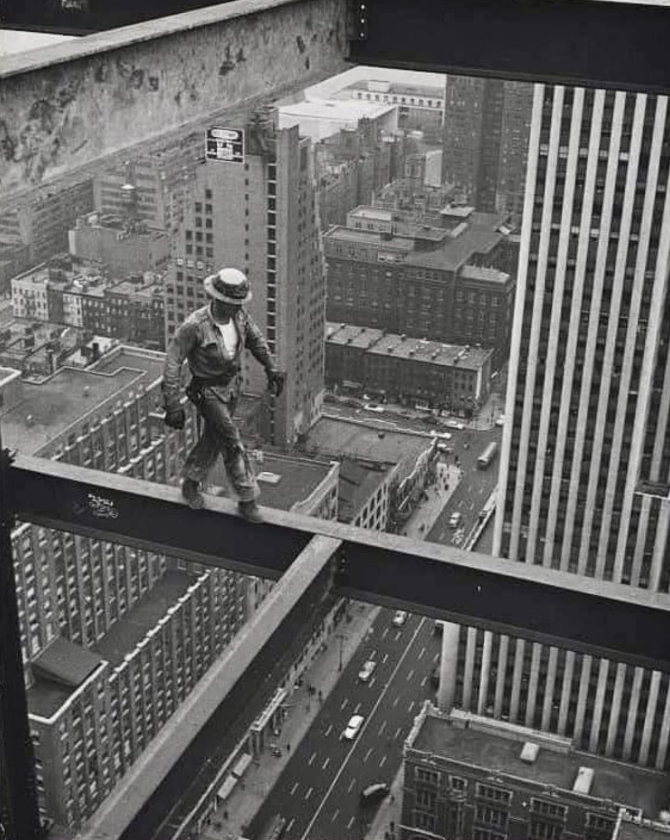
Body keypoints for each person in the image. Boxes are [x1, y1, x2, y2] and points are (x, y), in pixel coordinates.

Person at [162, 268, 285, 522]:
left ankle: (190, 481)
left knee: (214, 438)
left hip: (231, 388)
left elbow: (256, 340)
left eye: (238, 303)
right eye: (231, 303)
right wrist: (172, 404)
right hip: (206, 391)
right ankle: (247, 498)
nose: (235, 308)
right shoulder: (195, 326)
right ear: (217, 298)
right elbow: (173, 362)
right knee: (232, 439)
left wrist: (271, 368)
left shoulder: (239, 317)